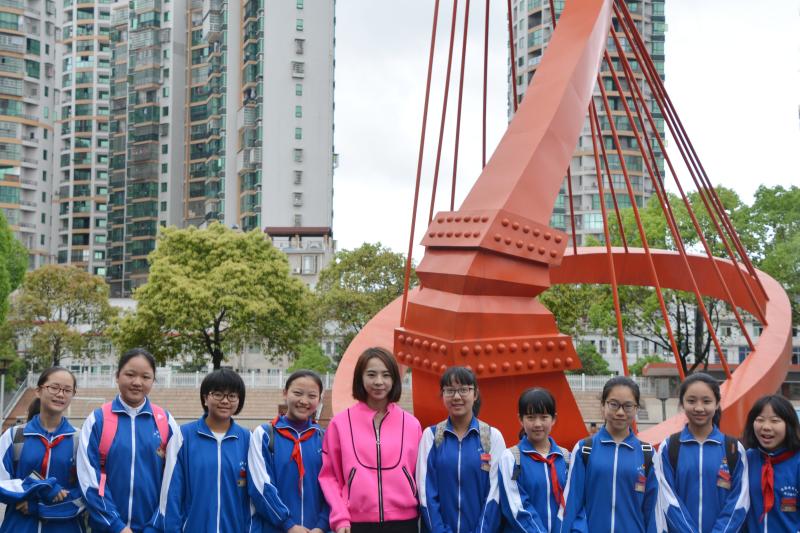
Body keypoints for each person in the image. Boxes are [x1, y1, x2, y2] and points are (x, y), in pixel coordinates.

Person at [319, 347, 422, 533]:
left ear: (394, 379)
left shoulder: (411, 424)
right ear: (360, 378)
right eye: (371, 374)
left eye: (386, 375)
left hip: (405, 523)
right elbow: (329, 476)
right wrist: (340, 517)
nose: (379, 382)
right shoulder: (340, 424)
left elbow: (420, 475)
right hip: (354, 524)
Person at [78, 348, 179, 533]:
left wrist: (154, 527)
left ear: (153, 380)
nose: (137, 382)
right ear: (117, 376)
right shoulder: (98, 420)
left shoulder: (165, 421)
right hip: (108, 528)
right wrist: (116, 526)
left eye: (146, 377)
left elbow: (174, 481)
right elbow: (89, 479)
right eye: (130, 374)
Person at [152, 368, 251, 532]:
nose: (225, 401)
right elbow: (171, 493)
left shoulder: (248, 439)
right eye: (218, 394)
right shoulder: (183, 436)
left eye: (232, 395)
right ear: (205, 398)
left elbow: (253, 498)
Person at [559, 376, 658, 532]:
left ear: (636, 408)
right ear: (603, 405)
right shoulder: (585, 449)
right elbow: (571, 504)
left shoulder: (647, 454)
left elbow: (653, 511)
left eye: (628, 406)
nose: (620, 412)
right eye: (613, 404)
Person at [654, 372, 749, 532]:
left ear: (717, 404)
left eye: (706, 401)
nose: (699, 408)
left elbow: (740, 501)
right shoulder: (669, 447)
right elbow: (666, 499)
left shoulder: (734, 448)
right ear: (682, 403)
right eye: (691, 401)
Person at [416, 366, 505, 533]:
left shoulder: (492, 437)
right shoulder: (431, 436)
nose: (456, 397)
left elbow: (495, 494)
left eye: (464, 390)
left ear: (475, 394)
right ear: (443, 395)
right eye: (450, 390)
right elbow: (426, 492)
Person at [0, 367, 86, 532]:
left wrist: (39, 507)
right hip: (19, 527)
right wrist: (42, 487)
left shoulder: (80, 439)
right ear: (38, 391)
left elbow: (87, 494)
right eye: (54, 387)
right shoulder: (14, 436)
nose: (60, 394)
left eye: (67, 390)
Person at [249, 369, 329, 532]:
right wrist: (288, 524)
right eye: (297, 393)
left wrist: (322, 525)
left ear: (319, 400)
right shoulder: (265, 434)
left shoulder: (325, 437)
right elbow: (261, 487)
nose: (304, 401)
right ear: (285, 393)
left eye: (312, 396)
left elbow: (333, 487)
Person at [498, 388, 571, 533]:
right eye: (531, 417)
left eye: (544, 417)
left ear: (554, 419)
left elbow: (573, 504)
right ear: (520, 419)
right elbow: (517, 508)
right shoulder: (511, 458)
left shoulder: (566, 458)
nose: (537, 424)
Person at [743, 394, 800, 533]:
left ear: (789, 425)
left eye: (775, 420)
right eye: (760, 420)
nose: (766, 427)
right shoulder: (746, 459)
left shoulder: (797, 462)